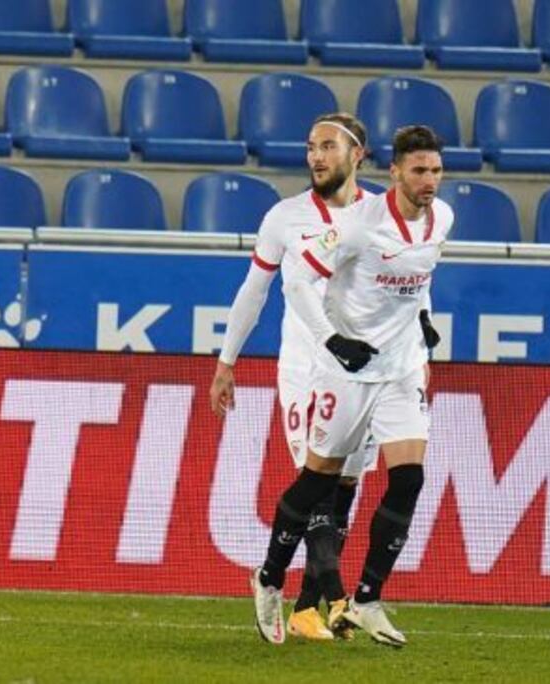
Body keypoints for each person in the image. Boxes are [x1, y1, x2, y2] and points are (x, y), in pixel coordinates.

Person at [251, 125, 449, 647]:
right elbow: (298, 281)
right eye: (419, 171)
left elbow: (422, 276)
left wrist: (425, 320)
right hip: (350, 371)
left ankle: (365, 600)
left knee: (409, 479)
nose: (429, 181)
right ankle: (270, 576)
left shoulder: (442, 217)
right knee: (319, 481)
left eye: (435, 171)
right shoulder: (360, 226)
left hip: (402, 368)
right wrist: (332, 339)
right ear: (395, 173)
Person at [211, 113, 377, 641]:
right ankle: (336, 596)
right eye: (310, 147)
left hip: (363, 370)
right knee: (317, 483)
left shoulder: (379, 217)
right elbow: (254, 290)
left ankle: (303, 603)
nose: (316, 156)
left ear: (358, 155)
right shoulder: (284, 217)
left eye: (328, 146)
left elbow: (404, 289)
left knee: (346, 486)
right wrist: (226, 360)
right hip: (307, 371)